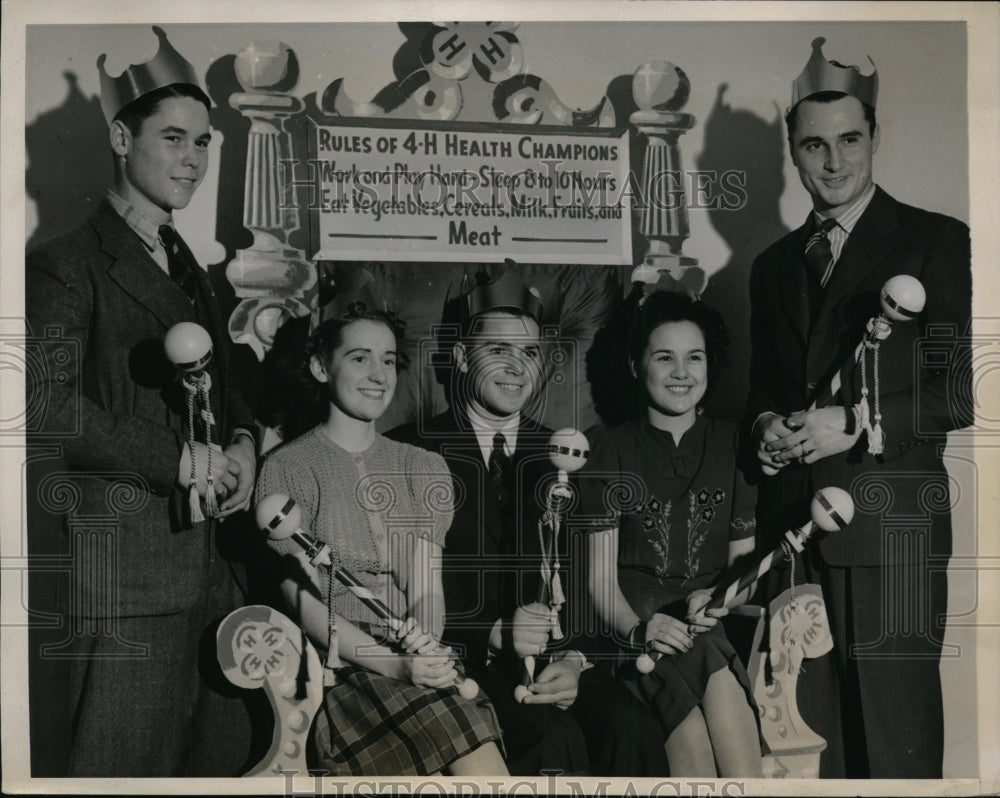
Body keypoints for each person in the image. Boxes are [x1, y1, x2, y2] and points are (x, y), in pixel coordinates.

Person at [25, 27, 257, 776]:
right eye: (174, 138)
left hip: (216, 575)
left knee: (220, 772)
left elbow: (229, 391)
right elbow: (44, 404)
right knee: (120, 775)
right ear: (122, 138)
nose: (192, 159)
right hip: (127, 580)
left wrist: (246, 444)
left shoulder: (192, 267)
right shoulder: (65, 264)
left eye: (203, 142)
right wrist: (179, 460)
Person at [746, 37, 973, 778]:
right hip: (793, 540)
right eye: (814, 145)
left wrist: (854, 420)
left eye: (849, 140)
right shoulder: (771, 267)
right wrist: (766, 427)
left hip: (890, 536)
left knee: (894, 754)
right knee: (810, 757)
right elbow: (764, 390)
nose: (834, 162)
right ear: (793, 148)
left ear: (876, 136)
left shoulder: (936, 241)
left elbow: (959, 390)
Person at [389, 268, 669, 776]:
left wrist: (576, 660)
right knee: (548, 740)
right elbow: (400, 588)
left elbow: (588, 583)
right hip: (463, 663)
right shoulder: (412, 451)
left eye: (530, 353)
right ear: (460, 357)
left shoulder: (566, 453)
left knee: (633, 730)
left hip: (557, 660)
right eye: (498, 349)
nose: (516, 367)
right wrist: (494, 632)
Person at [254, 299, 507, 777]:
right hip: (344, 671)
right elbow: (305, 604)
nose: (378, 374)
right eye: (359, 358)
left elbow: (427, 590)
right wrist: (392, 665)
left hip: (415, 660)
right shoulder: (287, 467)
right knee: (468, 744)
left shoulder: (422, 466)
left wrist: (423, 642)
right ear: (320, 367)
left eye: (388, 360)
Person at [578, 290, 762, 777]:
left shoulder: (736, 445)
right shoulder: (608, 447)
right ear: (636, 366)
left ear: (710, 365)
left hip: (702, 628)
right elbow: (599, 581)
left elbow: (744, 571)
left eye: (694, 357)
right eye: (664, 357)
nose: (682, 372)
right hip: (632, 631)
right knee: (695, 728)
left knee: (709, 669)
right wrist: (639, 631)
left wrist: (719, 598)